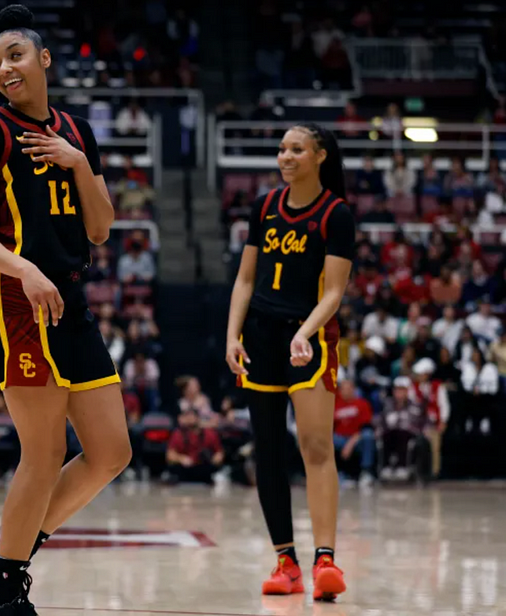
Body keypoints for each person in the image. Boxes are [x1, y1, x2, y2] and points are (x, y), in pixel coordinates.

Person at [0, 6, 132, 614]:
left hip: (70, 294)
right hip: (15, 299)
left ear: (44, 60)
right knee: (45, 452)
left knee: (112, 452)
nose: (4, 68)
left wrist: (78, 163)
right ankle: (1, 593)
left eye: (15, 56)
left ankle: (5, 556)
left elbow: (103, 227)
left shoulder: (79, 132)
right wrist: (24, 268)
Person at [225, 122, 355, 601]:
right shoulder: (265, 206)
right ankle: (286, 563)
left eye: (296, 149)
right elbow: (244, 280)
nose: (286, 156)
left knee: (316, 447)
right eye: (282, 149)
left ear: (320, 156)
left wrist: (305, 331)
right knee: (268, 453)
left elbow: (336, 291)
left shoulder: (335, 215)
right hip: (260, 335)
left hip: (310, 338)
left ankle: (325, 560)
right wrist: (232, 335)